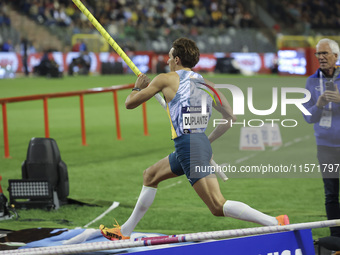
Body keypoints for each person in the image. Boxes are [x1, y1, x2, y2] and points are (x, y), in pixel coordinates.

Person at [100, 38, 289, 241]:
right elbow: (230, 118)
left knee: (217, 205)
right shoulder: (207, 84)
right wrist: (205, 141)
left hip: (189, 147)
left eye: (170, 56)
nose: (168, 60)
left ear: (177, 59)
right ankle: (125, 232)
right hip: (194, 145)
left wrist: (138, 87)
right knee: (150, 176)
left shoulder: (165, 79)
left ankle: (274, 222)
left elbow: (129, 104)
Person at [303, 38, 340, 240]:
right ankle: (336, 237)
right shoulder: (311, 81)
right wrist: (318, 104)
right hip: (325, 146)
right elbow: (307, 117)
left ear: (336, 55)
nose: (321, 57)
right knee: (331, 194)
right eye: (318, 54)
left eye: (325, 53)